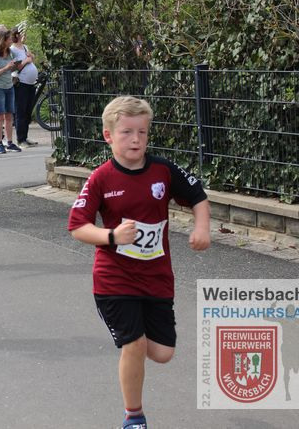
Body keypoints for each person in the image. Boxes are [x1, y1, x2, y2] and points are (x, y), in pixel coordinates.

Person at [67, 96, 211, 429]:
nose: (136, 140)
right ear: (108, 136)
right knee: (134, 343)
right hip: (114, 279)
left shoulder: (163, 170)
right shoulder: (101, 178)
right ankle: (134, 416)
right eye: (127, 132)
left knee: (162, 353)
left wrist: (202, 227)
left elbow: (198, 197)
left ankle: (133, 343)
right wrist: (112, 236)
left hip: (156, 278)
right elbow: (77, 226)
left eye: (142, 133)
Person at [0, 30, 21, 154]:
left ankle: (10, 142)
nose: (11, 41)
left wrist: (15, 66)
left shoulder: (10, 52)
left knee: (9, 116)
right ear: (3, 40)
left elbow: (12, 68)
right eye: (9, 39)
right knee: (0, 116)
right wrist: (6, 68)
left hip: (9, 87)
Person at [10, 23, 39, 147]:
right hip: (21, 84)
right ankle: (21, 139)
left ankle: (25, 137)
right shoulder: (12, 50)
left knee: (28, 111)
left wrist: (31, 57)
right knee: (20, 111)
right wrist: (26, 61)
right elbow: (13, 67)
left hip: (31, 83)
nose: (25, 36)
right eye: (23, 34)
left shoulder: (25, 47)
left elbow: (31, 59)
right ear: (17, 35)